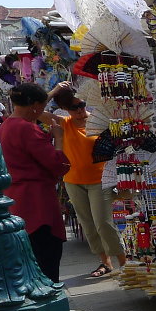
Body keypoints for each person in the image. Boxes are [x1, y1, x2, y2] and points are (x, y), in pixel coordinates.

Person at [52, 83, 126, 277]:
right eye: (74, 107)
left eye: (82, 104)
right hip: (73, 181)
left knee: (103, 223)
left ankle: (125, 263)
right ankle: (105, 262)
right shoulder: (63, 122)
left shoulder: (98, 122)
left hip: (99, 180)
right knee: (88, 224)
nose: (80, 110)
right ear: (66, 109)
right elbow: (35, 112)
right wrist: (54, 91)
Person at [0, 82, 70, 282]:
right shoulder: (27, 129)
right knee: (46, 259)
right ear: (35, 106)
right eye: (41, 107)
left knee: (30, 262)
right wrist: (58, 139)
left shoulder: (5, 126)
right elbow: (58, 165)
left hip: (15, 200)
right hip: (37, 202)